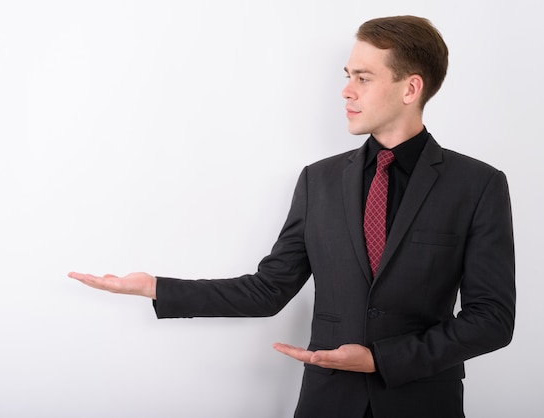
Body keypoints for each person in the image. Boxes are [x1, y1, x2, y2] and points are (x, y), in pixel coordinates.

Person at [68, 15, 515, 418]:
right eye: (347, 76)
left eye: (363, 77)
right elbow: (269, 290)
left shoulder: (477, 185)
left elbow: (492, 319)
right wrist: (157, 287)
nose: (346, 90)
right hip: (328, 402)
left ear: (410, 88)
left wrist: (383, 358)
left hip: (422, 403)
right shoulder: (318, 181)